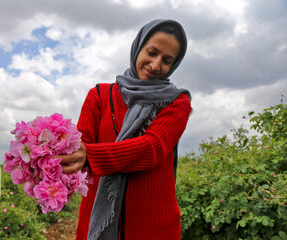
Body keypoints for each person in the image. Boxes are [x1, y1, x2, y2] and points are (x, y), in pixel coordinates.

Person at [58, 19, 192, 240]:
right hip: (96, 218)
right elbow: (80, 145)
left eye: (167, 60)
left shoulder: (177, 102)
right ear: (138, 48)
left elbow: (153, 148)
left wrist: (90, 156)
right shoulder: (100, 95)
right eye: (152, 52)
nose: (156, 65)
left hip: (154, 226)